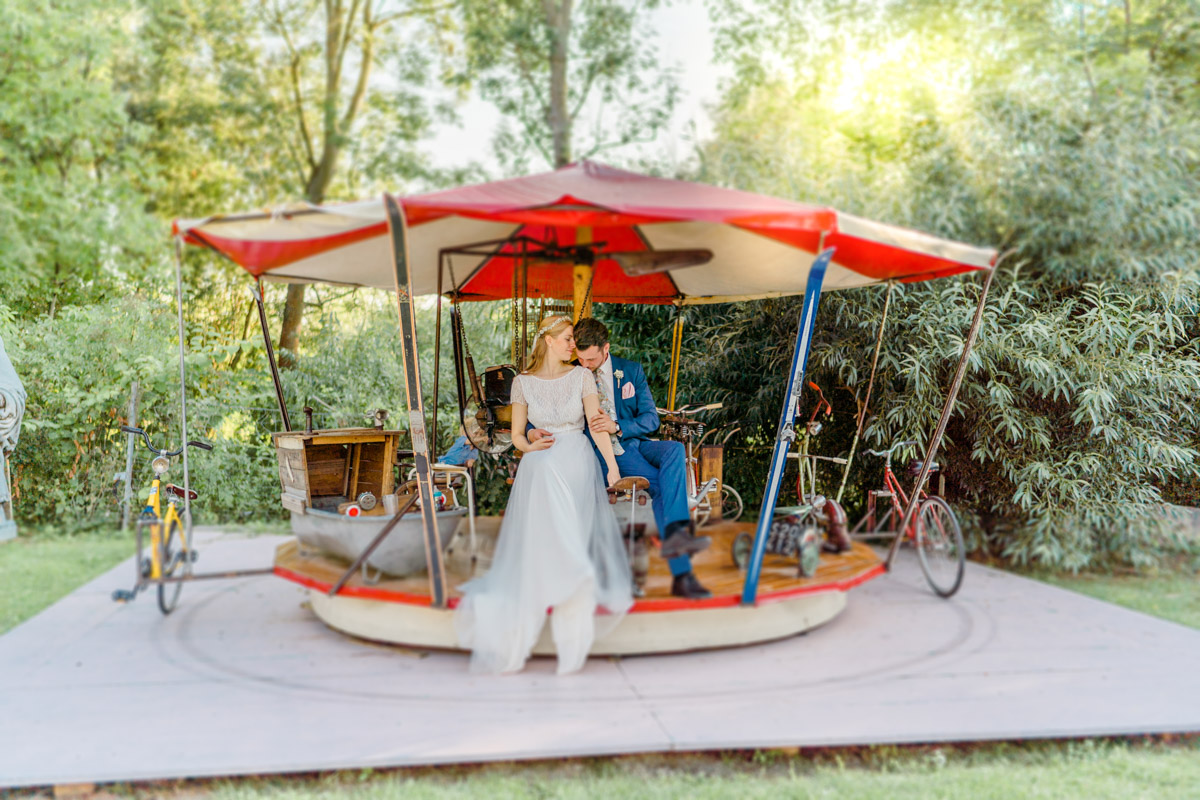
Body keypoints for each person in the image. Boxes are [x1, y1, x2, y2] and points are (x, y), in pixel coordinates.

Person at [453, 316, 633, 674]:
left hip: (576, 461)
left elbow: (596, 425)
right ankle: (544, 610)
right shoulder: (522, 383)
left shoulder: (583, 376)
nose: (573, 345)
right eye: (567, 338)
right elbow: (517, 435)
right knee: (542, 541)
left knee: (572, 538)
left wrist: (612, 468)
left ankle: (572, 633)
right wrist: (529, 444)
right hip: (541, 463)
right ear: (549, 341)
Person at [532, 317, 713, 600]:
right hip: (607, 452)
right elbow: (544, 409)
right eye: (580, 358)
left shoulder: (630, 370)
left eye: (591, 358)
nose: (586, 365)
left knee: (675, 450)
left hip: (635, 441)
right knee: (662, 487)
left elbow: (651, 419)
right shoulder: (572, 375)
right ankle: (682, 569)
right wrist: (531, 432)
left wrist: (618, 426)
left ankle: (676, 538)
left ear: (606, 349)